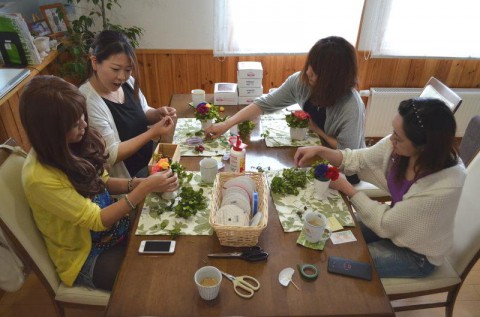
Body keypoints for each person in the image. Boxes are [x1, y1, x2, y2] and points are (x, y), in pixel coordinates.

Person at [20, 75, 179, 291]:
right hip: (88, 255)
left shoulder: (70, 144)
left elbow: (101, 181)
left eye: (82, 117)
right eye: (75, 124)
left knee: (171, 246)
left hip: (115, 227)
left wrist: (138, 183)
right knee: (152, 280)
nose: (85, 125)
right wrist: (144, 189)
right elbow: (96, 220)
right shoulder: (40, 178)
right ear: (51, 132)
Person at [294, 98, 466, 278]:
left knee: (344, 261)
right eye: (393, 131)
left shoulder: (446, 185)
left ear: (423, 147)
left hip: (417, 253)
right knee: (332, 233)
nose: (391, 139)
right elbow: (358, 160)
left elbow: (385, 224)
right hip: (394, 225)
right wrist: (321, 151)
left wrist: (349, 190)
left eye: (398, 137)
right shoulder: (399, 146)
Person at [205, 36, 365, 183]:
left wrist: (318, 131)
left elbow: (348, 156)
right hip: (315, 154)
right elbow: (264, 104)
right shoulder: (301, 81)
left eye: (317, 71)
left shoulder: (350, 106)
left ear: (334, 79)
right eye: (310, 65)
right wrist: (226, 124)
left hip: (342, 171)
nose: (309, 72)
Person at [79, 30, 177, 179]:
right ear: (94, 62)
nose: (122, 77)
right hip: (128, 179)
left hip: (151, 161)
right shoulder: (87, 101)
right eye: (115, 69)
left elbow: (142, 110)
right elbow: (111, 154)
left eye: (128, 70)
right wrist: (152, 133)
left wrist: (157, 114)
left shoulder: (127, 82)